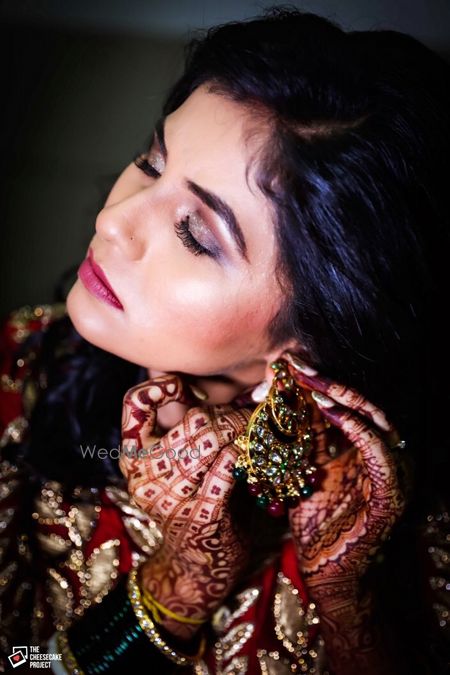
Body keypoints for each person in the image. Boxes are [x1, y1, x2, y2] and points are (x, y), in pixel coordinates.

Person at [1, 6, 449, 674]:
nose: (114, 219)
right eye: (151, 163)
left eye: (194, 233)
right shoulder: (19, 368)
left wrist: (350, 607)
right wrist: (178, 583)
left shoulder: (389, 519)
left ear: (318, 331)